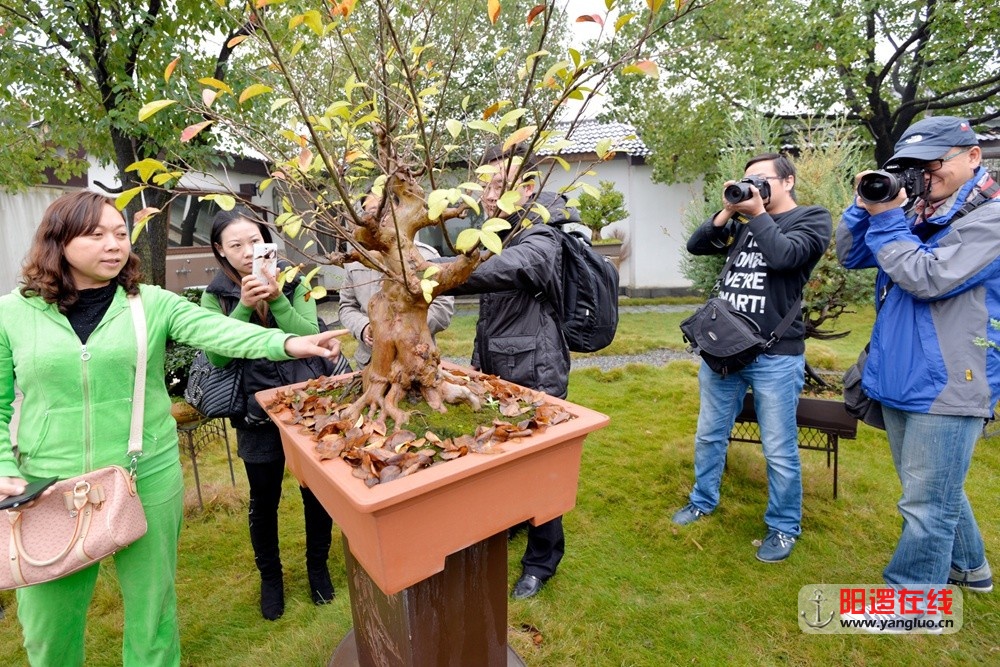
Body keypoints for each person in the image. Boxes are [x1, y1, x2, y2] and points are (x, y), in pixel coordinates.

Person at [0, 191, 344, 666]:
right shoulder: (12, 313)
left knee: (153, 612)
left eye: (120, 234)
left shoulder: (151, 303)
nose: (113, 244)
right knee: (48, 626)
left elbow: (219, 332)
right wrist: (3, 463)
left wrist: (288, 341)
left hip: (147, 475)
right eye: (96, 234)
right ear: (57, 242)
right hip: (50, 486)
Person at [837, 116, 999, 593]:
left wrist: (887, 218)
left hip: (950, 379)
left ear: (973, 157)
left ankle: (912, 599)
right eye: (910, 167)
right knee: (931, 490)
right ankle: (971, 569)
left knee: (927, 504)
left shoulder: (991, 219)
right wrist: (865, 204)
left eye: (931, 164)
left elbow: (927, 277)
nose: (922, 176)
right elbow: (851, 254)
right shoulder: (916, 214)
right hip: (902, 375)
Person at [671, 153, 832, 564]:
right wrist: (728, 210)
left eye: (762, 179)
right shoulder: (743, 223)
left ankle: (783, 526)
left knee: (778, 448)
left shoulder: (812, 219)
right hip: (724, 349)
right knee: (709, 433)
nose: (753, 185)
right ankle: (702, 500)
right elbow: (696, 245)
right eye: (747, 180)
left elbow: (783, 258)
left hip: (775, 356)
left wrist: (758, 213)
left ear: (788, 181)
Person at [203, 207, 352, 620]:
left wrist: (279, 298)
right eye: (236, 246)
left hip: (307, 405)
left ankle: (317, 567)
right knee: (263, 498)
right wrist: (244, 307)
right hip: (255, 412)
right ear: (221, 251)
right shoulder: (214, 294)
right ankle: (271, 578)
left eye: (255, 241)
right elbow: (216, 356)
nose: (249, 252)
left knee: (316, 492)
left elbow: (311, 336)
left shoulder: (295, 278)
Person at [448, 145, 579, 599]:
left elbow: (516, 266)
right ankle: (511, 521)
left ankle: (541, 562)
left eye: (497, 185)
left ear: (526, 188)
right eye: (483, 183)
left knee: (542, 466)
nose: (486, 194)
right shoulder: (498, 228)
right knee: (500, 454)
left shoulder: (545, 229)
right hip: (497, 362)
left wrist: (444, 272)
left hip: (536, 367)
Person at [339, 193, 455, 369]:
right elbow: (347, 306)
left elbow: (443, 307)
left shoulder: (426, 257)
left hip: (418, 358)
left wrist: (406, 329)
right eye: (371, 212)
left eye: (385, 211)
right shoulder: (357, 258)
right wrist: (364, 328)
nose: (379, 218)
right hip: (371, 363)